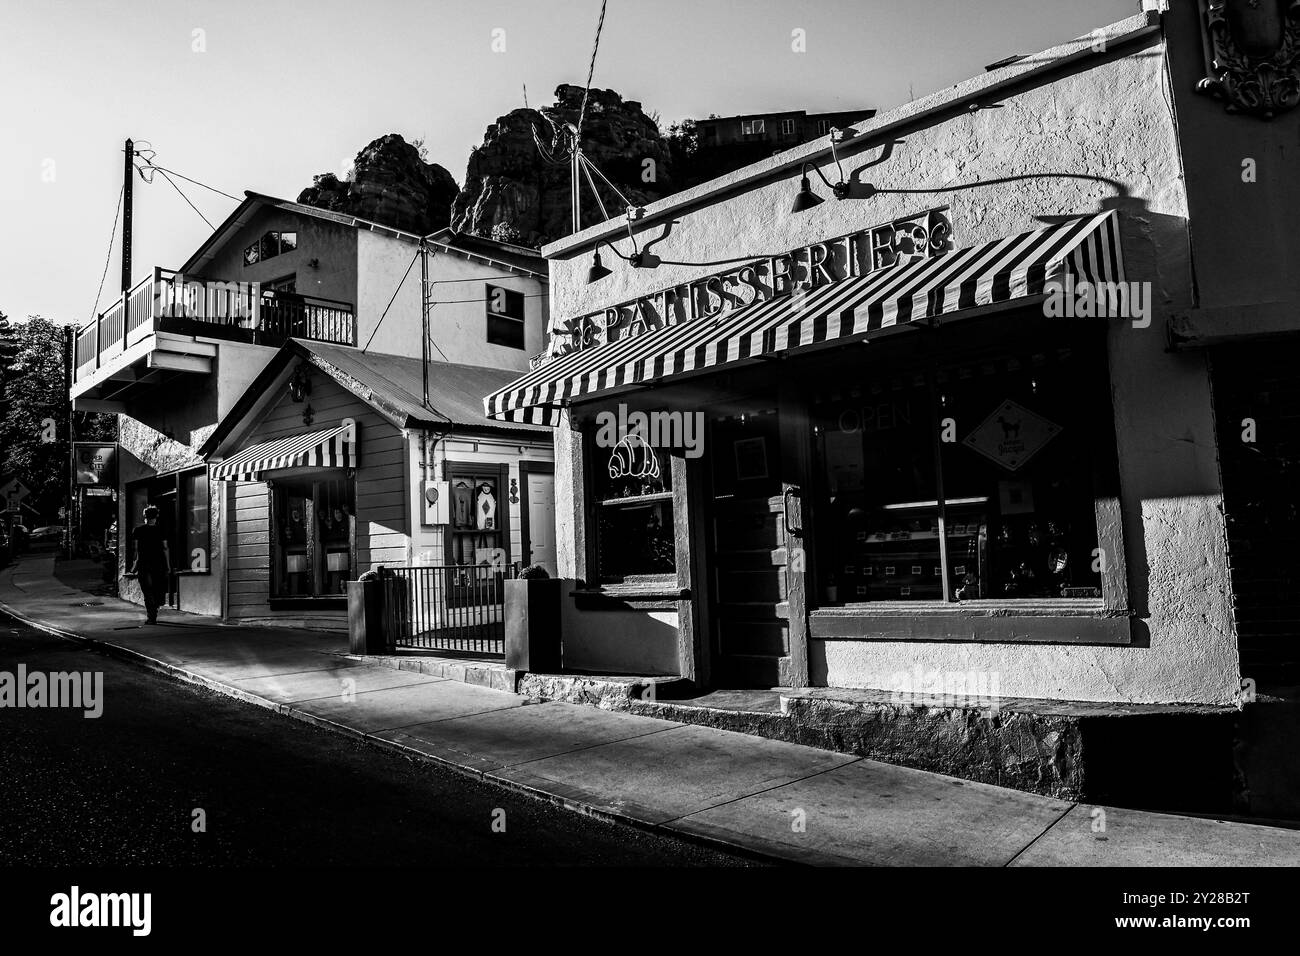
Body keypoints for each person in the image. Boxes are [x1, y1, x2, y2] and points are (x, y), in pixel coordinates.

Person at [129, 505, 170, 624]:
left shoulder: (138, 530)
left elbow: (136, 550)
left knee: (147, 591)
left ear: (144, 516)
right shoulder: (161, 530)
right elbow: (165, 548)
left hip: (144, 563)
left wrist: (134, 565)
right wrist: (168, 565)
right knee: (157, 588)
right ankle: (154, 612)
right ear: (156, 516)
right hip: (159, 563)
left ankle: (151, 616)